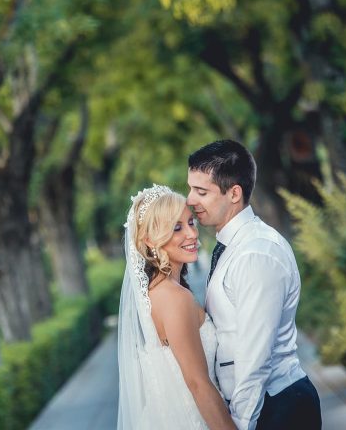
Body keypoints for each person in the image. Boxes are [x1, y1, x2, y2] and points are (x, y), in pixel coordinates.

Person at [187, 139, 322, 430]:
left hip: (276, 408)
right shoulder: (232, 245)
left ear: (234, 193)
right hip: (262, 406)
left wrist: (238, 424)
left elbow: (254, 358)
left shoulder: (256, 253)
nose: (189, 200)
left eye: (201, 191)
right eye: (190, 188)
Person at [117, 184, 235, 430]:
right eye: (176, 228)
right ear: (150, 240)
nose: (192, 234)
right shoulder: (174, 298)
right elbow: (198, 384)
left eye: (191, 223)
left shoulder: (154, 293)